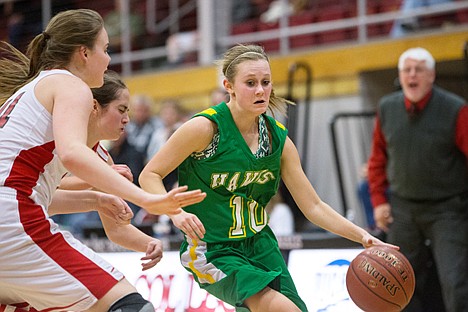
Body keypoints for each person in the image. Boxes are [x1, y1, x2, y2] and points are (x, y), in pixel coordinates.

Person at [139, 43, 397, 312]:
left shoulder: (278, 139)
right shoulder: (205, 128)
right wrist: (175, 212)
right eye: (250, 83)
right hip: (213, 249)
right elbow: (150, 174)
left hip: (261, 245)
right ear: (229, 86)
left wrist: (362, 236)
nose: (261, 90)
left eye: (266, 82)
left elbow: (314, 206)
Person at [0, 8, 205, 312]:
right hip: (13, 223)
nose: (109, 59)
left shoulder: (28, 92)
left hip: (12, 217)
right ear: (84, 52)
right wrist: (146, 199)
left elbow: (30, 192)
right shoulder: (70, 85)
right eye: (106, 49)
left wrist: (96, 199)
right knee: (130, 306)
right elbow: (72, 154)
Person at [367, 47, 468, 312]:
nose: (412, 75)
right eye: (406, 70)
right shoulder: (387, 108)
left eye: (419, 69)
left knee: (456, 282)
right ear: (400, 76)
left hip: (447, 210)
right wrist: (378, 201)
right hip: (403, 208)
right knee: (397, 284)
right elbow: (377, 159)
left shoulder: (456, 109)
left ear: (432, 75)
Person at [125, 94, 162, 164]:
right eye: (138, 110)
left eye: (144, 110)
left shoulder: (157, 125)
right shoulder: (128, 125)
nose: (141, 114)